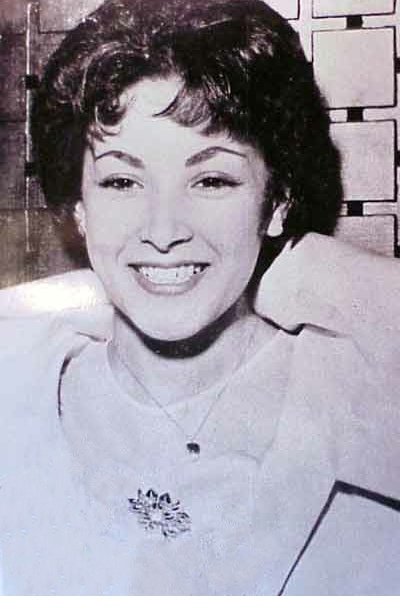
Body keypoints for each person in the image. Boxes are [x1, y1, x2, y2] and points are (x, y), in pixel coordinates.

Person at [1, 0, 399, 595]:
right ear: (80, 208)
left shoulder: (373, 404)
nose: (163, 231)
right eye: (122, 181)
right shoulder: (17, 391)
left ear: (278, 201)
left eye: (211, 180)